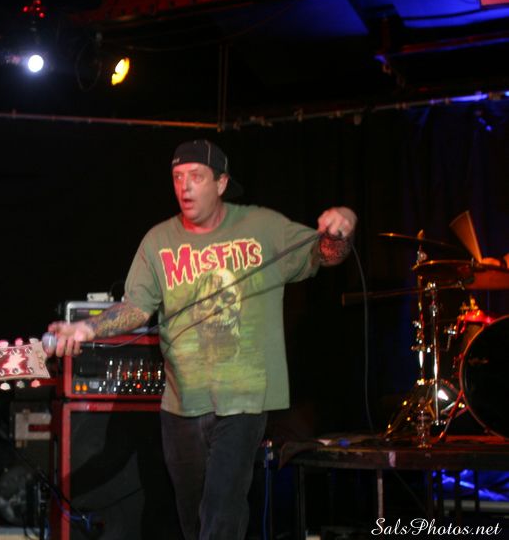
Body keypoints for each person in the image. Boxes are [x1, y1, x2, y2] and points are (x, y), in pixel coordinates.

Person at [47, 139, 356, 540]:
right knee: (194, 520)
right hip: (181, 402)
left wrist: (344, 223)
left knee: (221, 510)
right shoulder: (159, 240)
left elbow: (325, 254)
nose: (185, 186)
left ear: (222, 183)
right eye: (178, 177)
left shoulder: (262, 226)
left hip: (244, 398)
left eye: (196, 176)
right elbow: (136, 307)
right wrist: (87, 329)